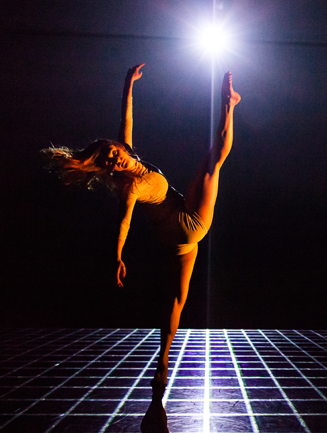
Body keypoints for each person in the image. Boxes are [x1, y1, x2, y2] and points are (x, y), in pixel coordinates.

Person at [42, 64, 240, 405]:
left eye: (114, 153)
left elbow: (126, 121)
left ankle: (163, 360)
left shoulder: (129, 155)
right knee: (212, 163)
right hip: (187, 222)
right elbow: (124, 222)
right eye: (111, 163)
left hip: (175, 234)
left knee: (177, 300)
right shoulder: (130, 186)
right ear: (111, 169)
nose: (116, 160)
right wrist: (117, 255)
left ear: (116, 146)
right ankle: (230, 105)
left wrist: (128, 86)